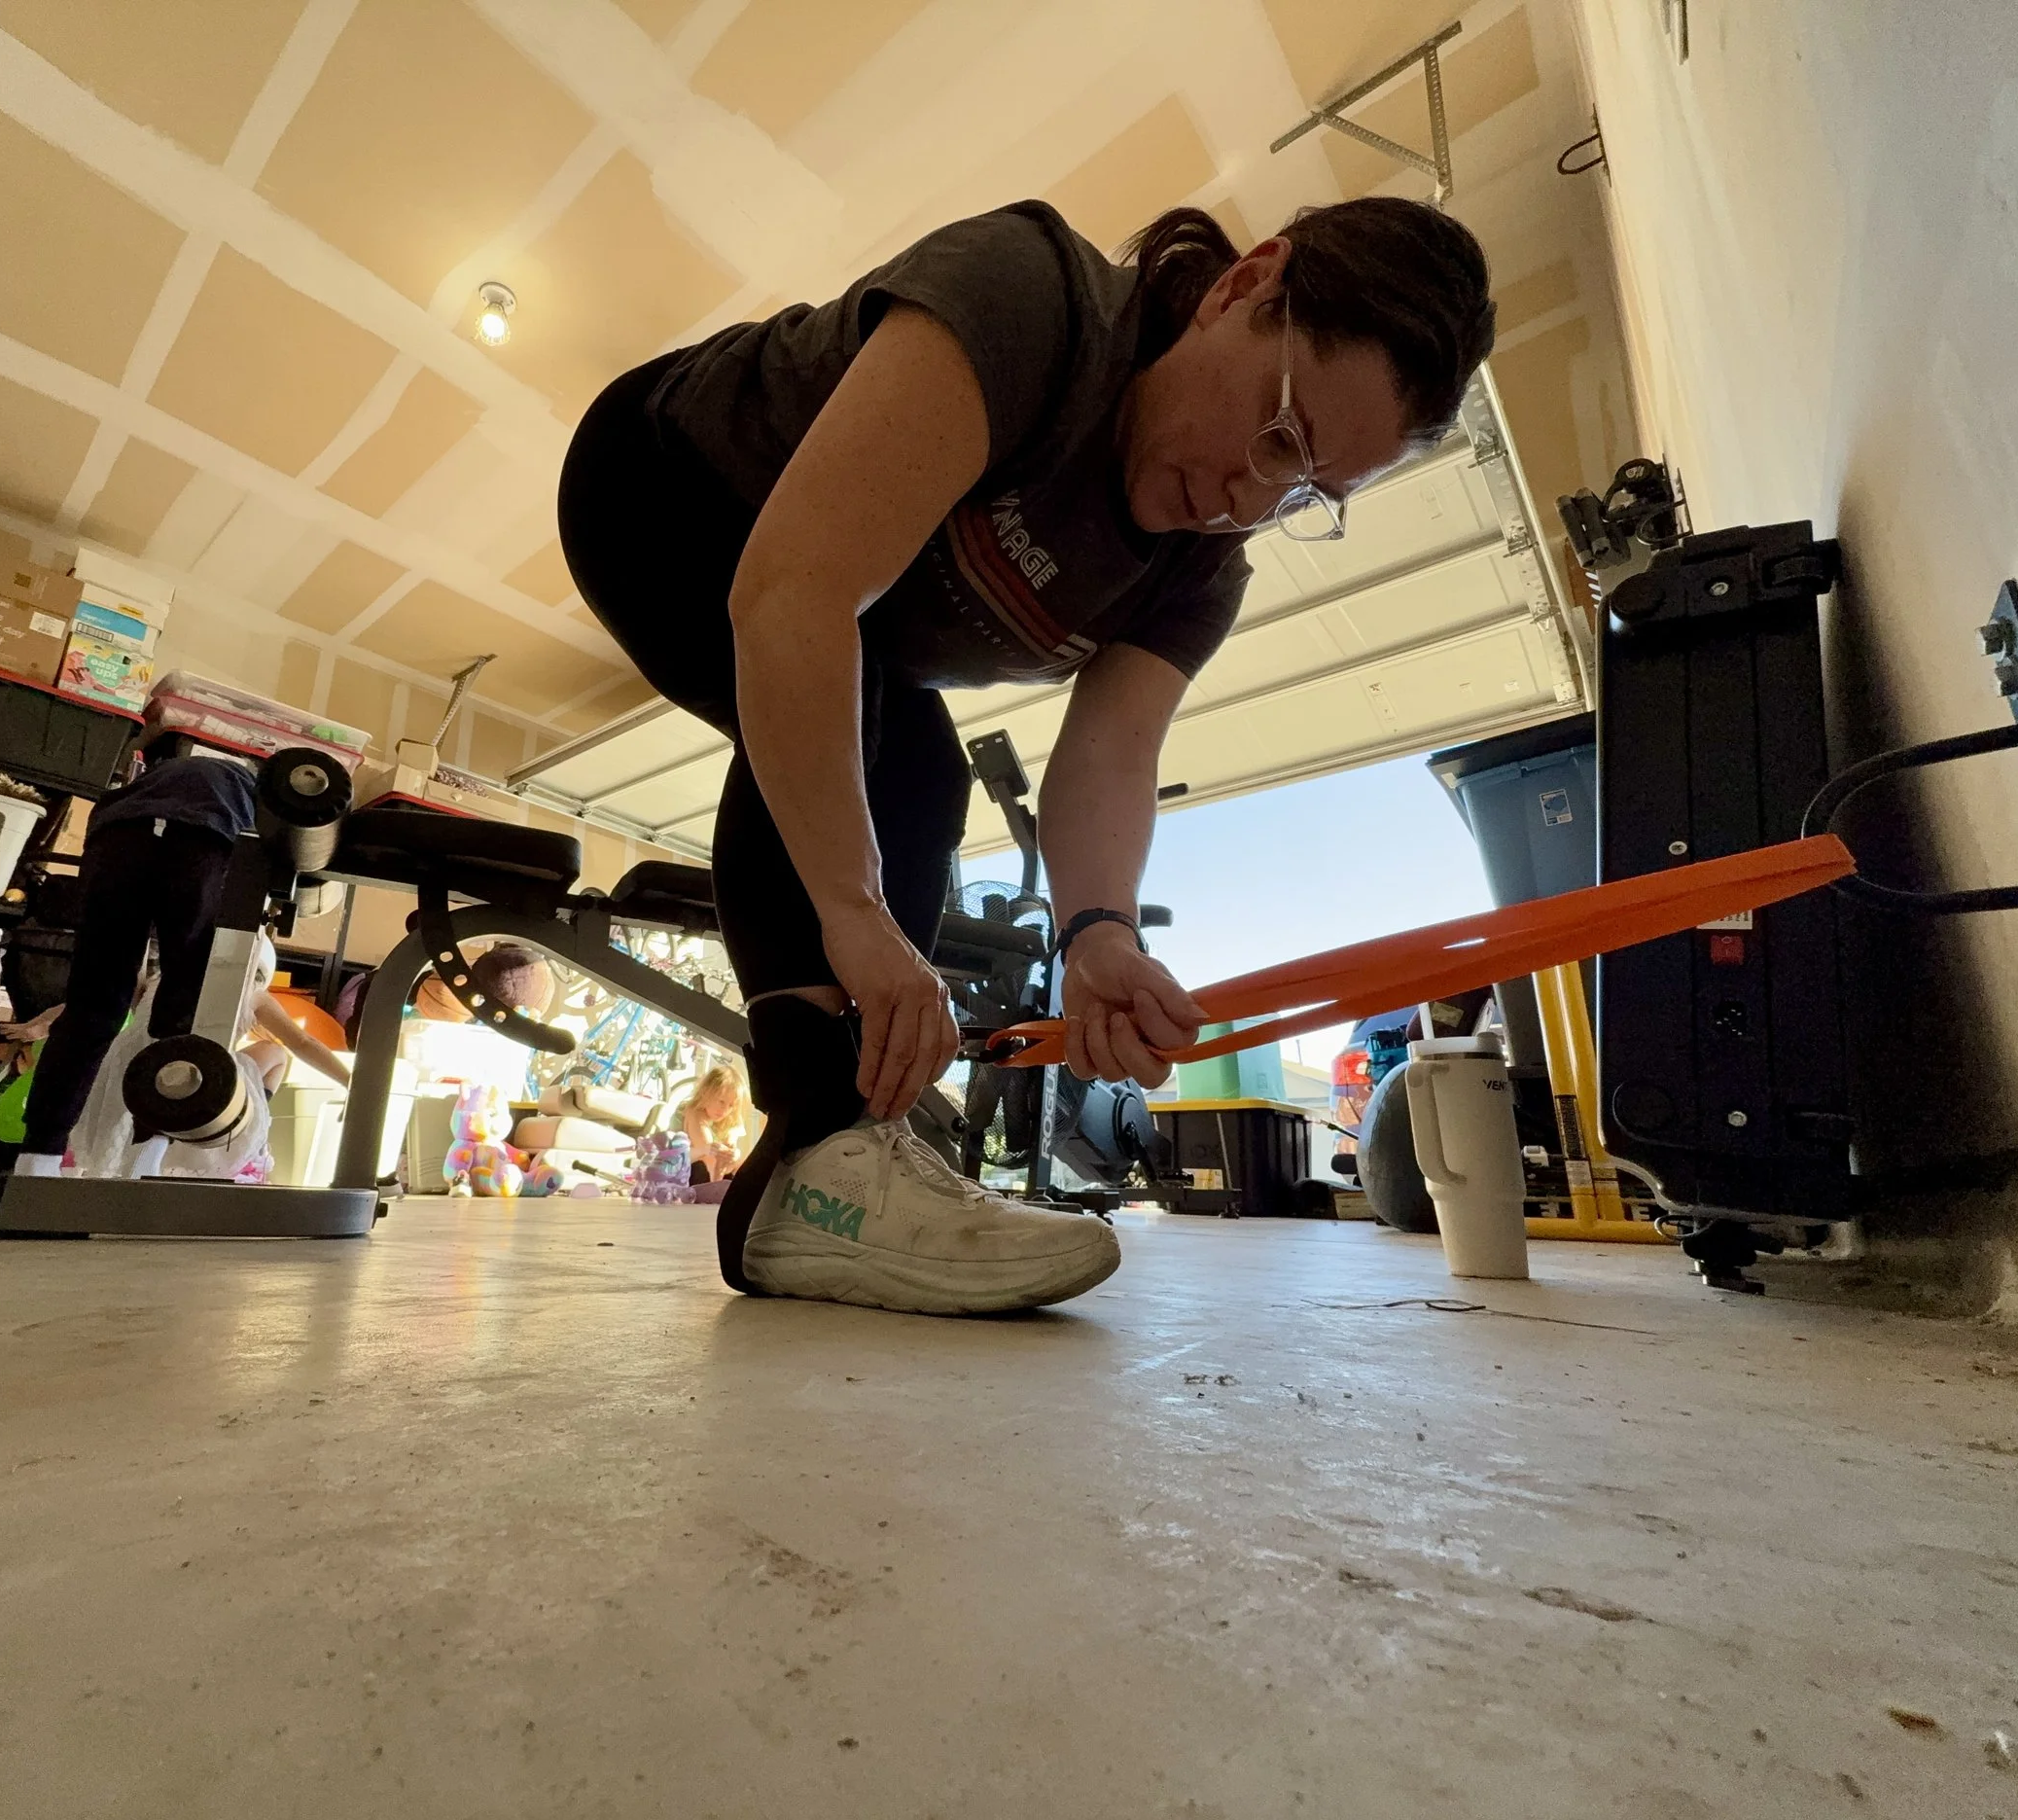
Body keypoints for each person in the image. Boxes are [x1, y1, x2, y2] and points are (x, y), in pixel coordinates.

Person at [558, 196, 1494, 1316]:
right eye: (1279, 431)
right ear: (1245, 285)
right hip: (661, 483)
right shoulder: (1033, 301)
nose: (1248, 497)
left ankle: (839, 1164)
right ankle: (817, 1162)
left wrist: (1096, 936)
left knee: (918, 765)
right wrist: (855, 916)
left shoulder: (1200, 571)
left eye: (1303, 490)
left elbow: (1110, 757)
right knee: (869, 730)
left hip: (848, 633)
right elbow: (796, 594)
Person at [12, 747, 261, 1176]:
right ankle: (144, 1159)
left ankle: (37, 1161)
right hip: (204, 839)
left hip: (116, 839)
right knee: (183, 1014)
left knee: (92, 1006)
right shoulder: (257, 790)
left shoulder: (160, 774)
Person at [676, 1061, 749, 1183]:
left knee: (744, 1164)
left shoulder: (730, 1117)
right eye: (721, 1102)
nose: (724, 1109)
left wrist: (734, 1154)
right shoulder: (696, 1112)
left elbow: (730, 1149)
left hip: (719, 1169)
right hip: (691, 1170)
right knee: (709, 1158)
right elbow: (709, 1153)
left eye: (731, 1105)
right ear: (706, 1092)